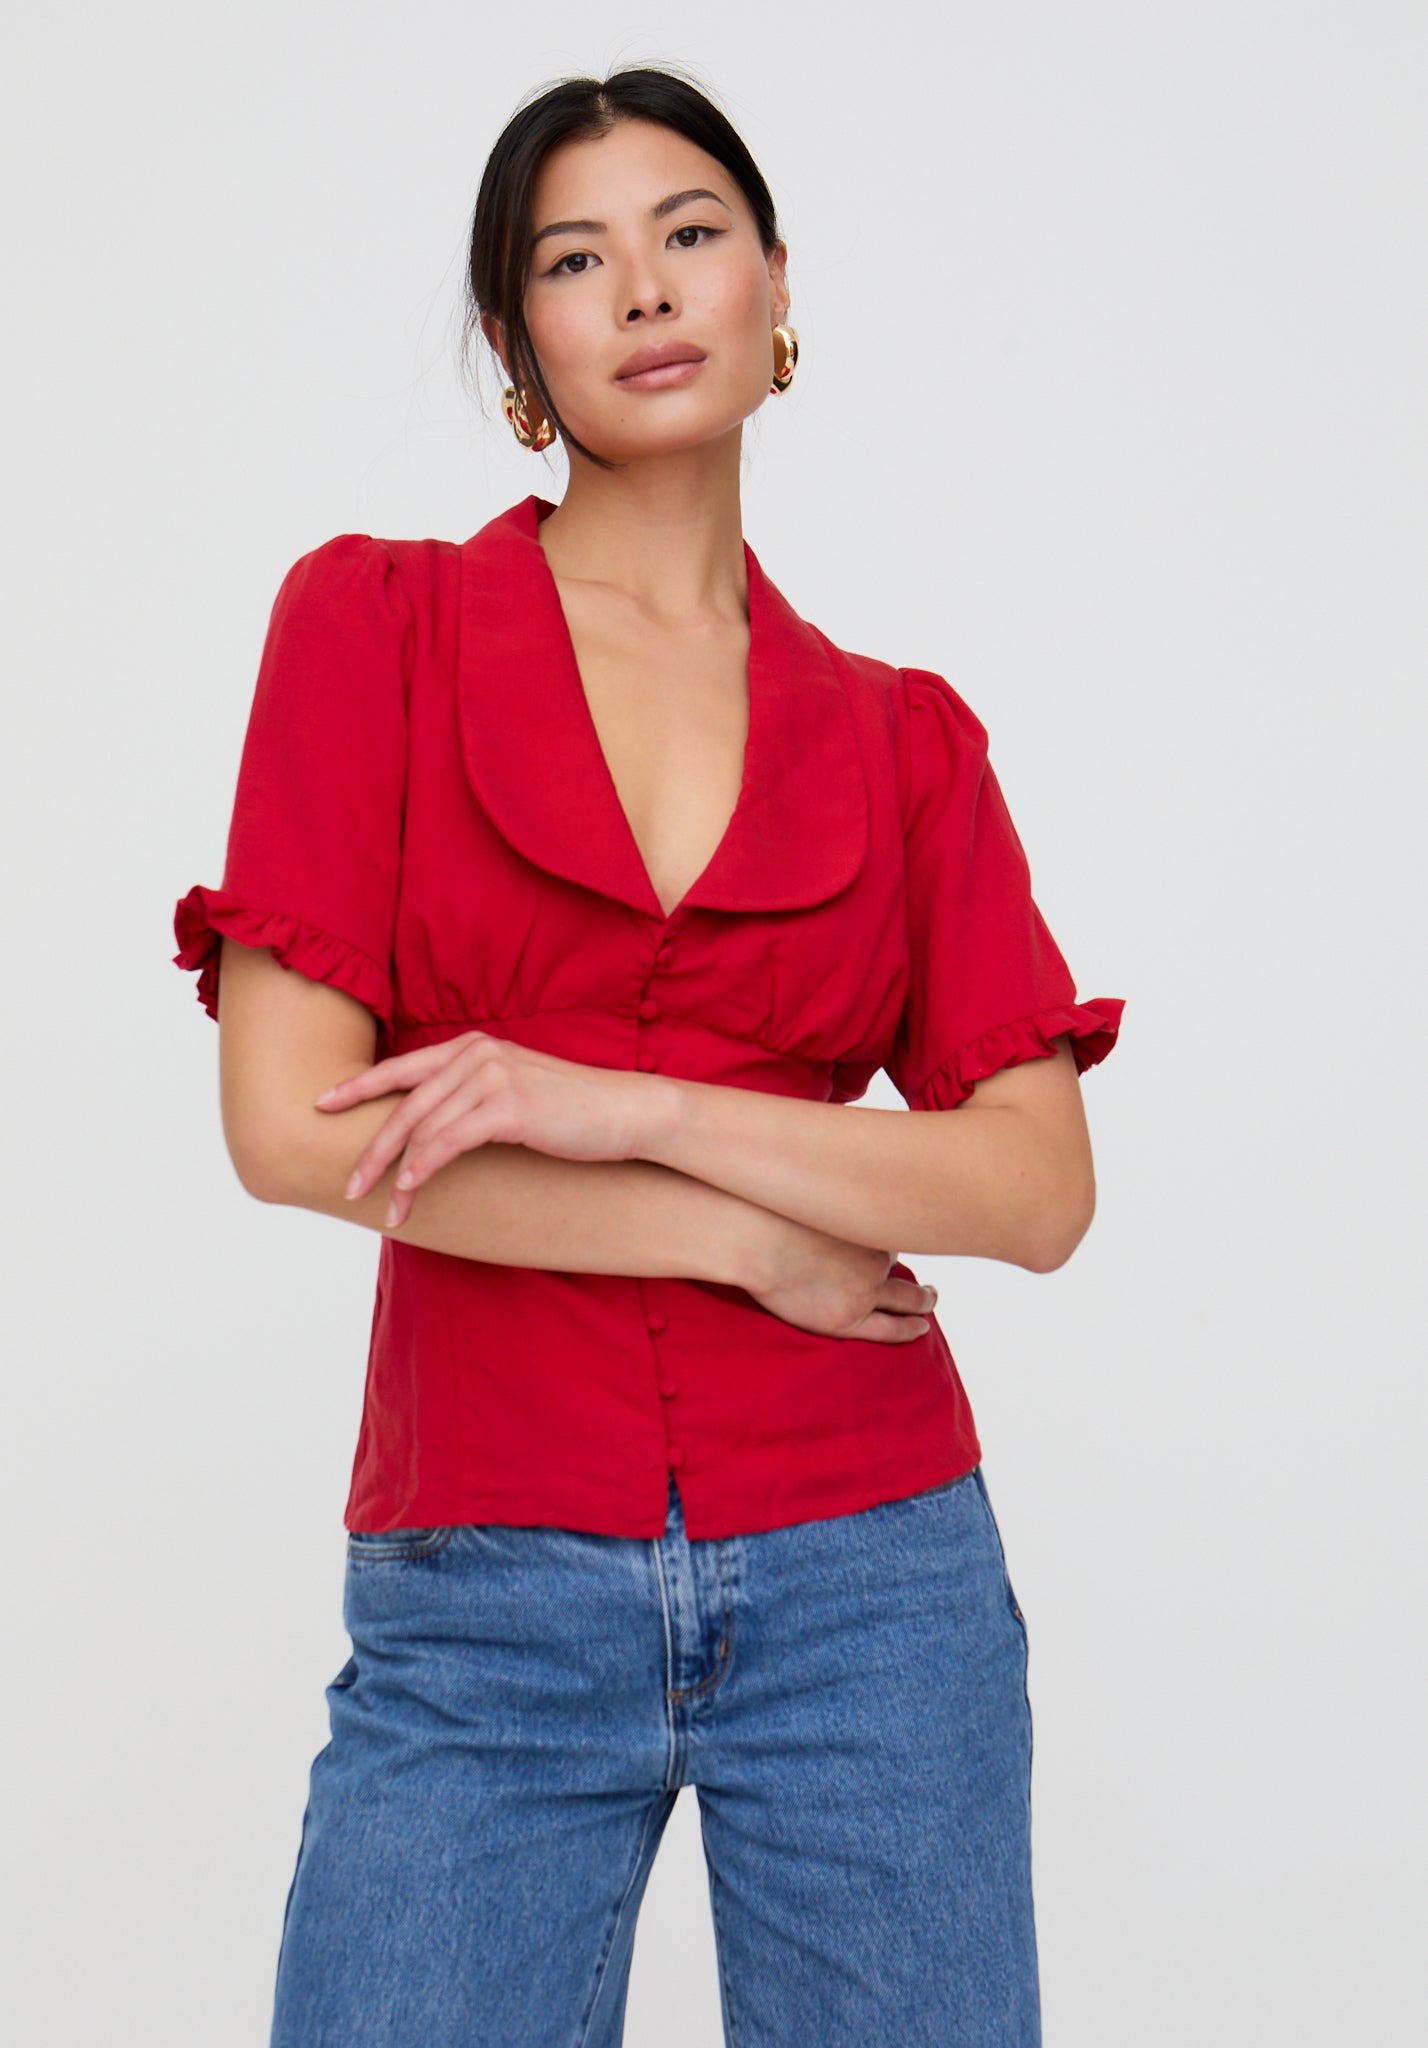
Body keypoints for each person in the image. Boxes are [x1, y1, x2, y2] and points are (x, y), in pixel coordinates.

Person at [172, 64, 1123, 2048]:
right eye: (574, 260)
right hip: (481, 1589)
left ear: (778, 291)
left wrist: (631, 1111)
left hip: (879, 1582)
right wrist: (731, 1234)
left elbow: (1034, 1186)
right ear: (521, 351)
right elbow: (286, 1122)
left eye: (691, 232)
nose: (646, 289)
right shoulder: (377, 627)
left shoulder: (906, 739)